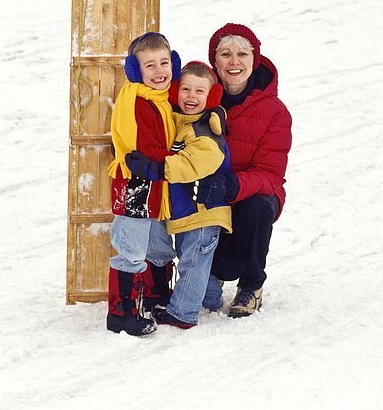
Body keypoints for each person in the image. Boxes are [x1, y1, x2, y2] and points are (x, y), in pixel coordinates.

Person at [126, 61, 232, 328]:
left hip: (205, 211)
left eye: (199, 91)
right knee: (192, 259)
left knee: (193, 261)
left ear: (211, 96)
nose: (191, 97)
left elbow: (191, 164)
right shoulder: (177, 121)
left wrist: (157, 168)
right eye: (186, 89)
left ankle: (182, 312)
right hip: (187, 212)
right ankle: (209, 297)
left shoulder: (207, 130)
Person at [197, 23, 292, 317]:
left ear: (256, 59)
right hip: (209, 193)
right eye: (225, 54)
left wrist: (231, 186)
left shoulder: (275, 111)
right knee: (223, 266)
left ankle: (251, 284)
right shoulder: (198, 97)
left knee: (258, 205)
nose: (234, 62)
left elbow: (270, 174)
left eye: (242, 54)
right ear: (215, 61)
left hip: (249, 194)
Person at [106, 32, 181, 336]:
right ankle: (121, 313)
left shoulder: (163, 99)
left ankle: (155, 295)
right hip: (136, 184)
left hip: (157, 186)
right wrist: (177, 156)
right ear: (136, 71)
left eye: (164, 62)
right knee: (132, 248)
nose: (160, 71)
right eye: (150, 66)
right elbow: (145, 148)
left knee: (159, 246)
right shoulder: (136, 99)